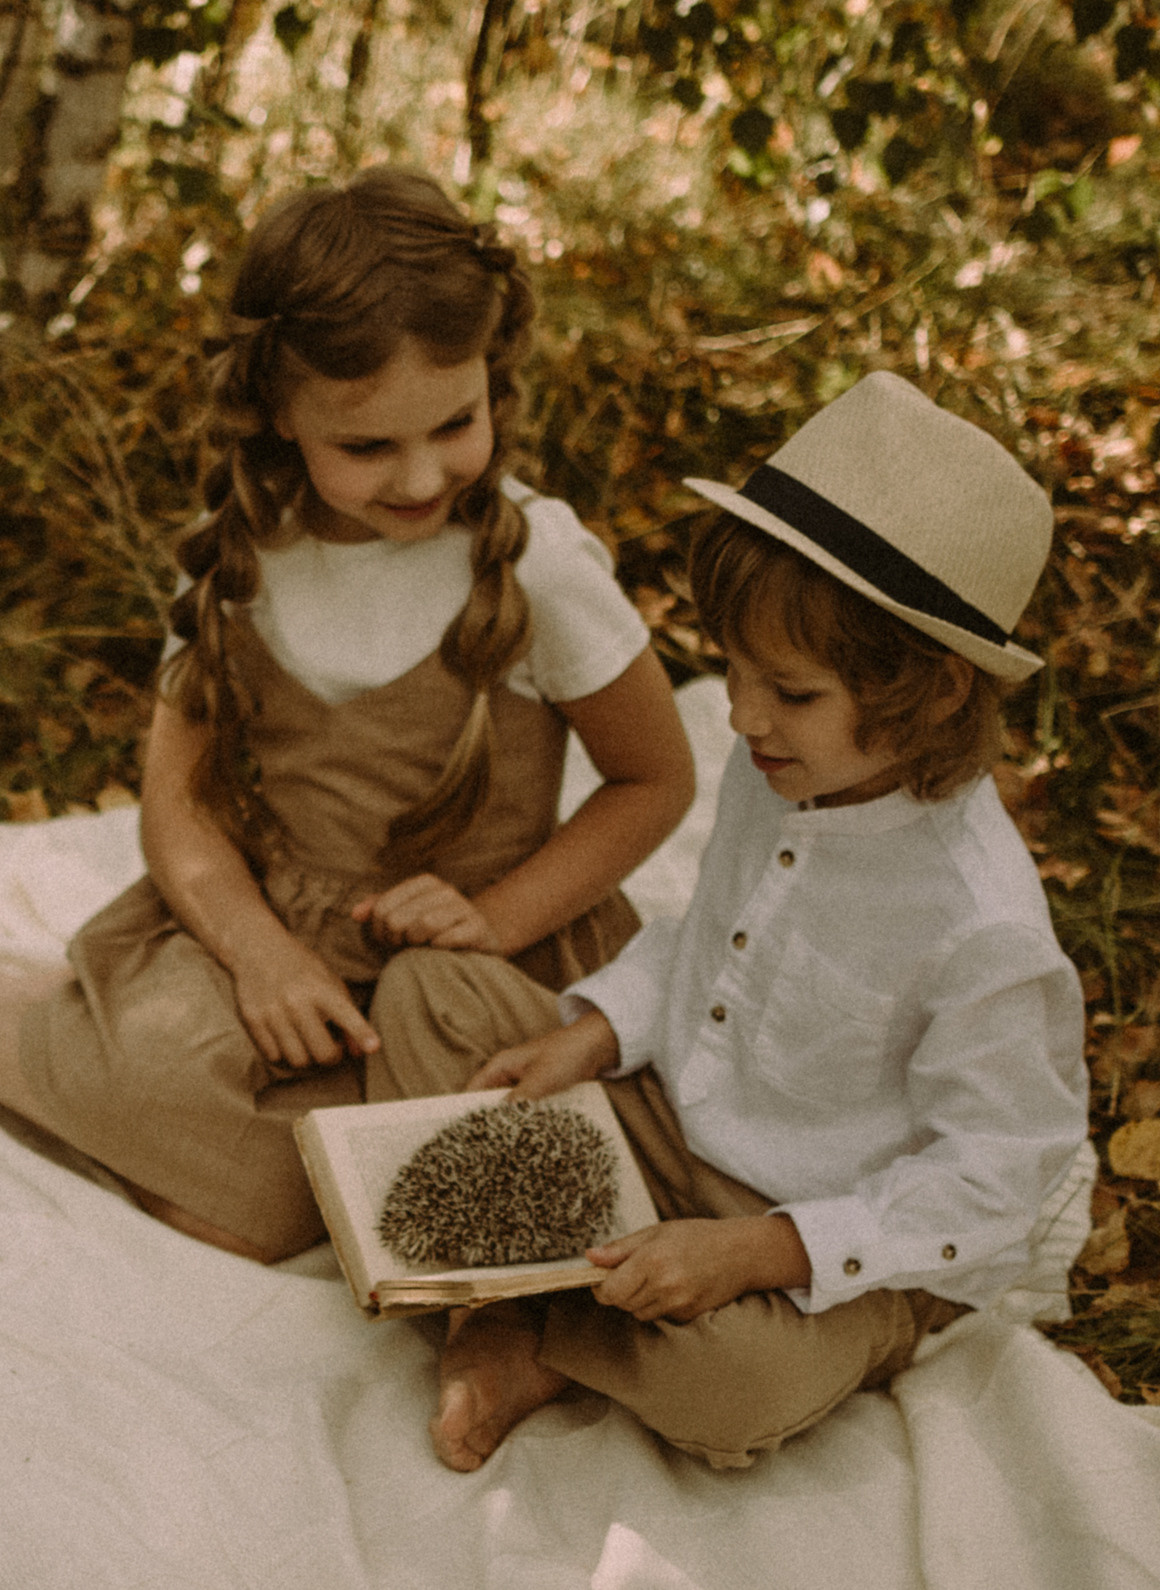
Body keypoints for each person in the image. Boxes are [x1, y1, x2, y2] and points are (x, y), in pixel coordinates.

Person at [0, 166, 695, 1265]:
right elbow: (177, 809)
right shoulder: (247, 554)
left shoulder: (537, 565)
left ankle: (60, 1006)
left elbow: (657, 781)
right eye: (368, 447)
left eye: (456, 424)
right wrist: (261, 957)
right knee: (244, 1191)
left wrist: (497, 920)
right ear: (279, 414)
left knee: (313, 1201)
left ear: (492, 379)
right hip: (279, 932)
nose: (421, 476)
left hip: (470, 968)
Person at [389, 370, 1088, 1473]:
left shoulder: (979, 922)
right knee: (425, 995)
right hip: (678, 1124)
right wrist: (601, 1030)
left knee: (737, 1385)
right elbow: (711, 937)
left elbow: (997, 1172)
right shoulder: (785, 770)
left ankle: (535, 1325)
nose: (742, 716)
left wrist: (762, 1250)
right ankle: (544, 1297)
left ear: (936, 692)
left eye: (792, 692)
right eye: (734, 672)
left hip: (836, 1235)